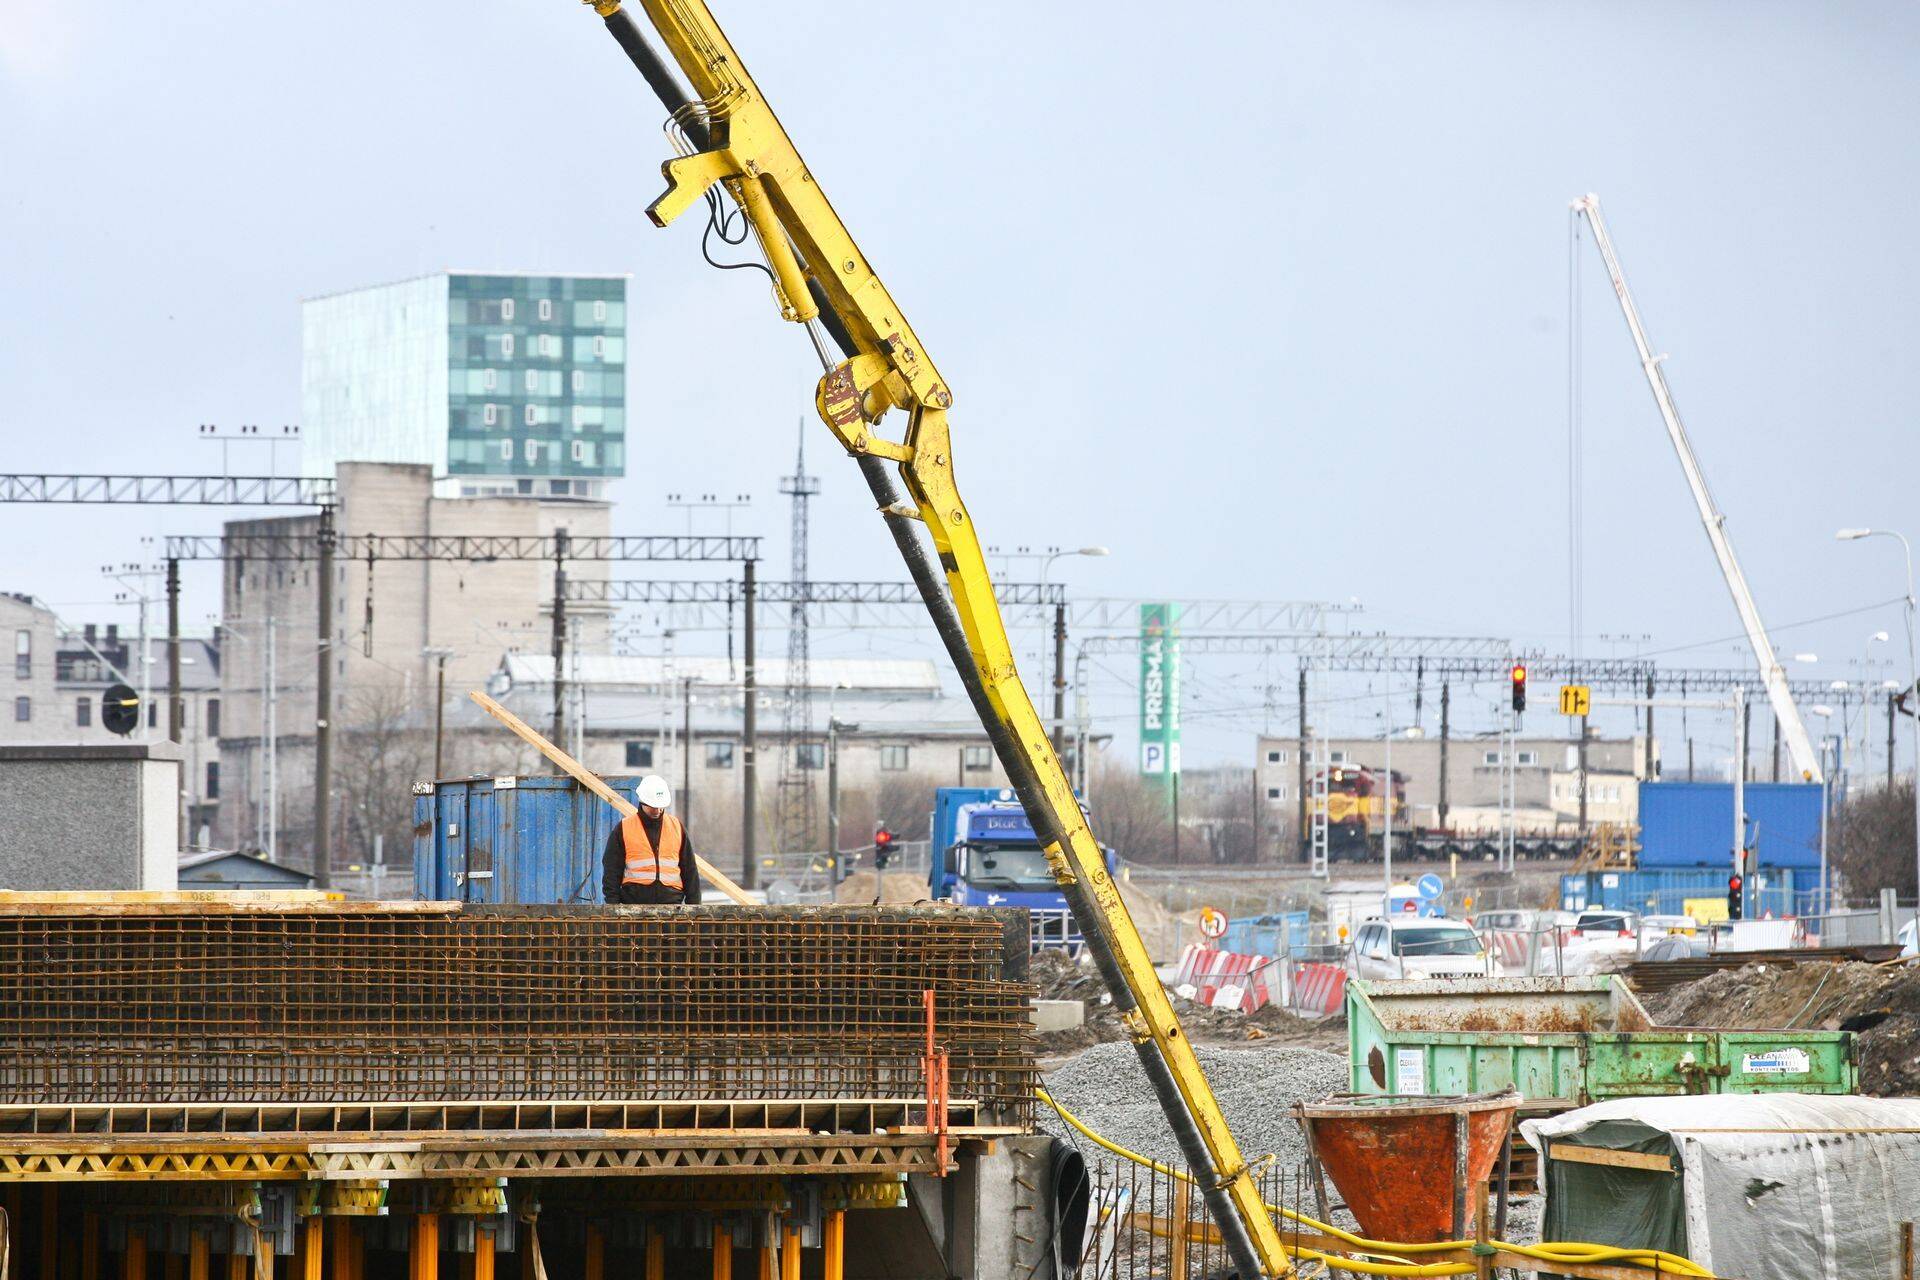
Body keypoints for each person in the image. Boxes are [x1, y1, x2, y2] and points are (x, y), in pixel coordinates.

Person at [602, 774, 702, 905]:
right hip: (634, 909)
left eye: (661, 806)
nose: (658, 810)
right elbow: (612, 870)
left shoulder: (676, 827)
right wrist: (612, 906)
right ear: (642, 802)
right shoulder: (624, 828)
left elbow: (690, 870)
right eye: (653, 806)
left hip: (672, 908)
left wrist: (694, 908)